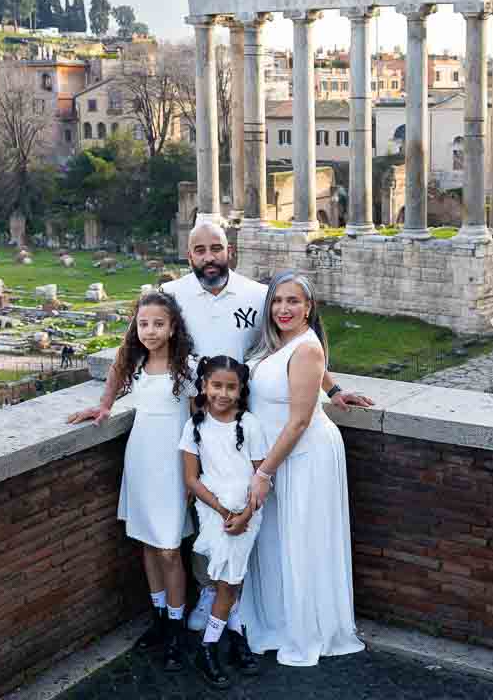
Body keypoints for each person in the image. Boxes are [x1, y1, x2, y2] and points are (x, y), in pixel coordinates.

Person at [164, 222, 373, 633]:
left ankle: (244, 603)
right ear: (189, 255)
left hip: (258, 436)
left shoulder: (257, 295)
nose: (209, 257)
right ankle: (213, 591)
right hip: (205, 424)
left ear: (231, 250)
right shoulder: (170, 297)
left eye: (216, 248)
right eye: (200, 250)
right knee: (212, 514)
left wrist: (334, 389)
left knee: (265, 527)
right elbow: (136, 346)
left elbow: (298, 348)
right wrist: (106, 400)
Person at [67, 292, 196, 672]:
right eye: (143, 324)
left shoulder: (186, 369)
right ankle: (158, 618)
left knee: (170, 548)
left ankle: (176, 626)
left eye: (158, 324)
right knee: (147, 543)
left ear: (173, 327)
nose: (150, 331)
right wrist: (105, 405)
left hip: (172, 465)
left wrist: (194, 475)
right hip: (140, 460)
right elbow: (116, 372)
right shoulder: (135, 362)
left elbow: (196, 427)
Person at [241, 272, 365, 667]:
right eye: (277, 301)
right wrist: (333, 390)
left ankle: (308, 629)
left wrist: (263, 474)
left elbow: (298, 421)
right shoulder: (285, 341)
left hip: (304, 455)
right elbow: (304, 372)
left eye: (293, 301)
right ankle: (282, 622)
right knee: (280, 541)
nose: (283, 308)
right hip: (281, 456)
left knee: (303, 542)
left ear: (309, 307)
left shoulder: (307, 347)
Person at [180, 356, 265, 688]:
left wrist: (245, 514)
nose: (223, 393)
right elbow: (191, 479)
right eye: (216, 385)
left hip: (248, 510)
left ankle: (211, 646)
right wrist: (222, 511)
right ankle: (226, 642)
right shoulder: (195, 427)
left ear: (241, 389)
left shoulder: (251, 425)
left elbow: (262, 476)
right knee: (229, 580)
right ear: (204, 386)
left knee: (231, 580)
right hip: (214, 509)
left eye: (231, 387)